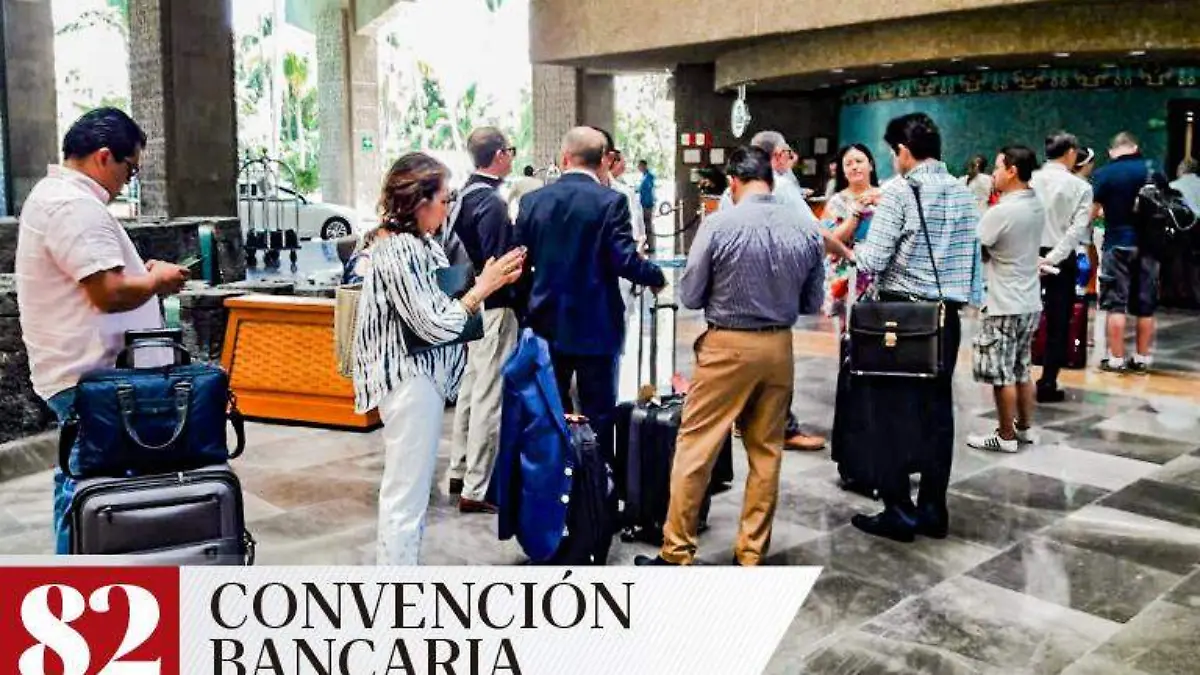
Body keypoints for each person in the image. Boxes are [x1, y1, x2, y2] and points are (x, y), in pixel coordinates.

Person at [634, 147, 825, 567]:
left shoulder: (719, 224)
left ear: (734, 183)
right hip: (779, 347)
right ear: (770, 180)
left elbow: (690, 295)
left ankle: (676, 551)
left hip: (727, 346)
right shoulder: (806, 228)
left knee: (696, 446)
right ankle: (751, 554)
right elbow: (813, 303)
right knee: (766, 451)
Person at [15, 107, 191, 552]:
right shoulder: (73, 205)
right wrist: (157, 281)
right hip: (92, 380)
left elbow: (95, 282)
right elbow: (108, 293)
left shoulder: (57, 196)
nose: (127, 182)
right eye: (130, 170)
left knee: (87, 487)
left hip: (88, 377)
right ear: (104, 156)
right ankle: (78, 584)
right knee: (91, 495)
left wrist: (143, 277)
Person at [352, 152, 525, 565]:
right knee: (405, 495)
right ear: (419, 200)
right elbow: (430, 324)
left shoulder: (421, 244)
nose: (448, 209)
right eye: (444, 200)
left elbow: (438, 303)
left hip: (422, 377)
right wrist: (482, 288)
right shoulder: (397, 250)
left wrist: (483, 282)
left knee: (410, 495)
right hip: (409, 380)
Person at [851, 112, 983, 543]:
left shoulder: (899, 192)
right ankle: (933, 509)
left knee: (890, 415)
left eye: (894, 153)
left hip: (900, 320)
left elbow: (872, 261)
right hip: (945, 318)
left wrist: (848, 246)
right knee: (937, 414)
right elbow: (972, 264)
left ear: (904, 152)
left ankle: (898, 510)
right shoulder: (963, 192)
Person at [514, 127, 666, 464]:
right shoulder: (610, 202)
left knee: (550, 410)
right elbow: (624, 260)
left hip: (546, 322)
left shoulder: (533, 202)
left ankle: (554, 482)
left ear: (565, 158)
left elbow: (517, 265)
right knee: (599, 414)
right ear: (603, 161)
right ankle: (597, 483)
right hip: (598, 325)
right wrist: (655, 275)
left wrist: (526, 307)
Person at [718, 130, 850, 451]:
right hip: (771, 290)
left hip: (733, 294)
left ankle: (744, 418)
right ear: (777, 156)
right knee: (775, 363)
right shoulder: (781, 187)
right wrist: (846, 253)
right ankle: (783, 428)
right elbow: (813, 233)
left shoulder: (731, 190)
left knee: (743, 358)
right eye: (788, 152)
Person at [446, 128, 522, 514]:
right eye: (511, 150)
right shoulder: (491, 202)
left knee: (471, 387)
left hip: (468, 301)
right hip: (494, 305)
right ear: (499, 155)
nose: (512, 156)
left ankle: (458, 471)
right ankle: (477, 487)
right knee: (489, 395)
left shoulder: (462, 196)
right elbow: (500, 263)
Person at [968, 146, 1045, 453]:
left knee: (1002, 375)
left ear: (1012, 170)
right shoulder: (1036, 204)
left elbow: (977, 246)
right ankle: (1024, 428)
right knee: (1022, 368)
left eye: (998, 167)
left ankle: (1005, 435)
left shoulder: (1002, 211)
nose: (994, 174)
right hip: (1029, 300)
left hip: (1002, 301)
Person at [1091, 132, 1163, 374]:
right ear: (1135, 147)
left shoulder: (1104, 174)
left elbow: (1092, 212)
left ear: (1112, 151)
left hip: (1117, 244)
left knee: (1116, 304)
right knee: (1146, 305)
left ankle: (1116, 359)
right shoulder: (1154, 170)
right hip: (1149, 246)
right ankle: (1142, 358)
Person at [1029, 131, 1094, 401]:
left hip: (1026, 255)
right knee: (1057, 323)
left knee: (1021, 318)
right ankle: (1047, 383)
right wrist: (1053, 258)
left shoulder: (1030, 179)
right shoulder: (1081, 187)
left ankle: (1016, 379)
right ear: (1070, 153)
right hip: (1061, 259)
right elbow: (1077, 230)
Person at [824, 144, 883, 331]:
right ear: (843, 171)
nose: (855, 167)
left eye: (859, 161)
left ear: (870, 165)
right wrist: (855, 215)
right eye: (848, 164)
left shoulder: (885, 196)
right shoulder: (837, 201)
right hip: (846, 275)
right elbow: (829, 240)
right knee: (845, 331)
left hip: (879, 274)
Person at [638, 160, 657, 253]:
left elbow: (648, 191)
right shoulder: (644, 177)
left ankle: (651, 246)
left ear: (644, 166)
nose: (639, 168)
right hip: (644, 204)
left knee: (648, 225)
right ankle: (648, 244)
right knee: (646, 225)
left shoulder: (648, 177)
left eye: (640, 166)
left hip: (647, 204)